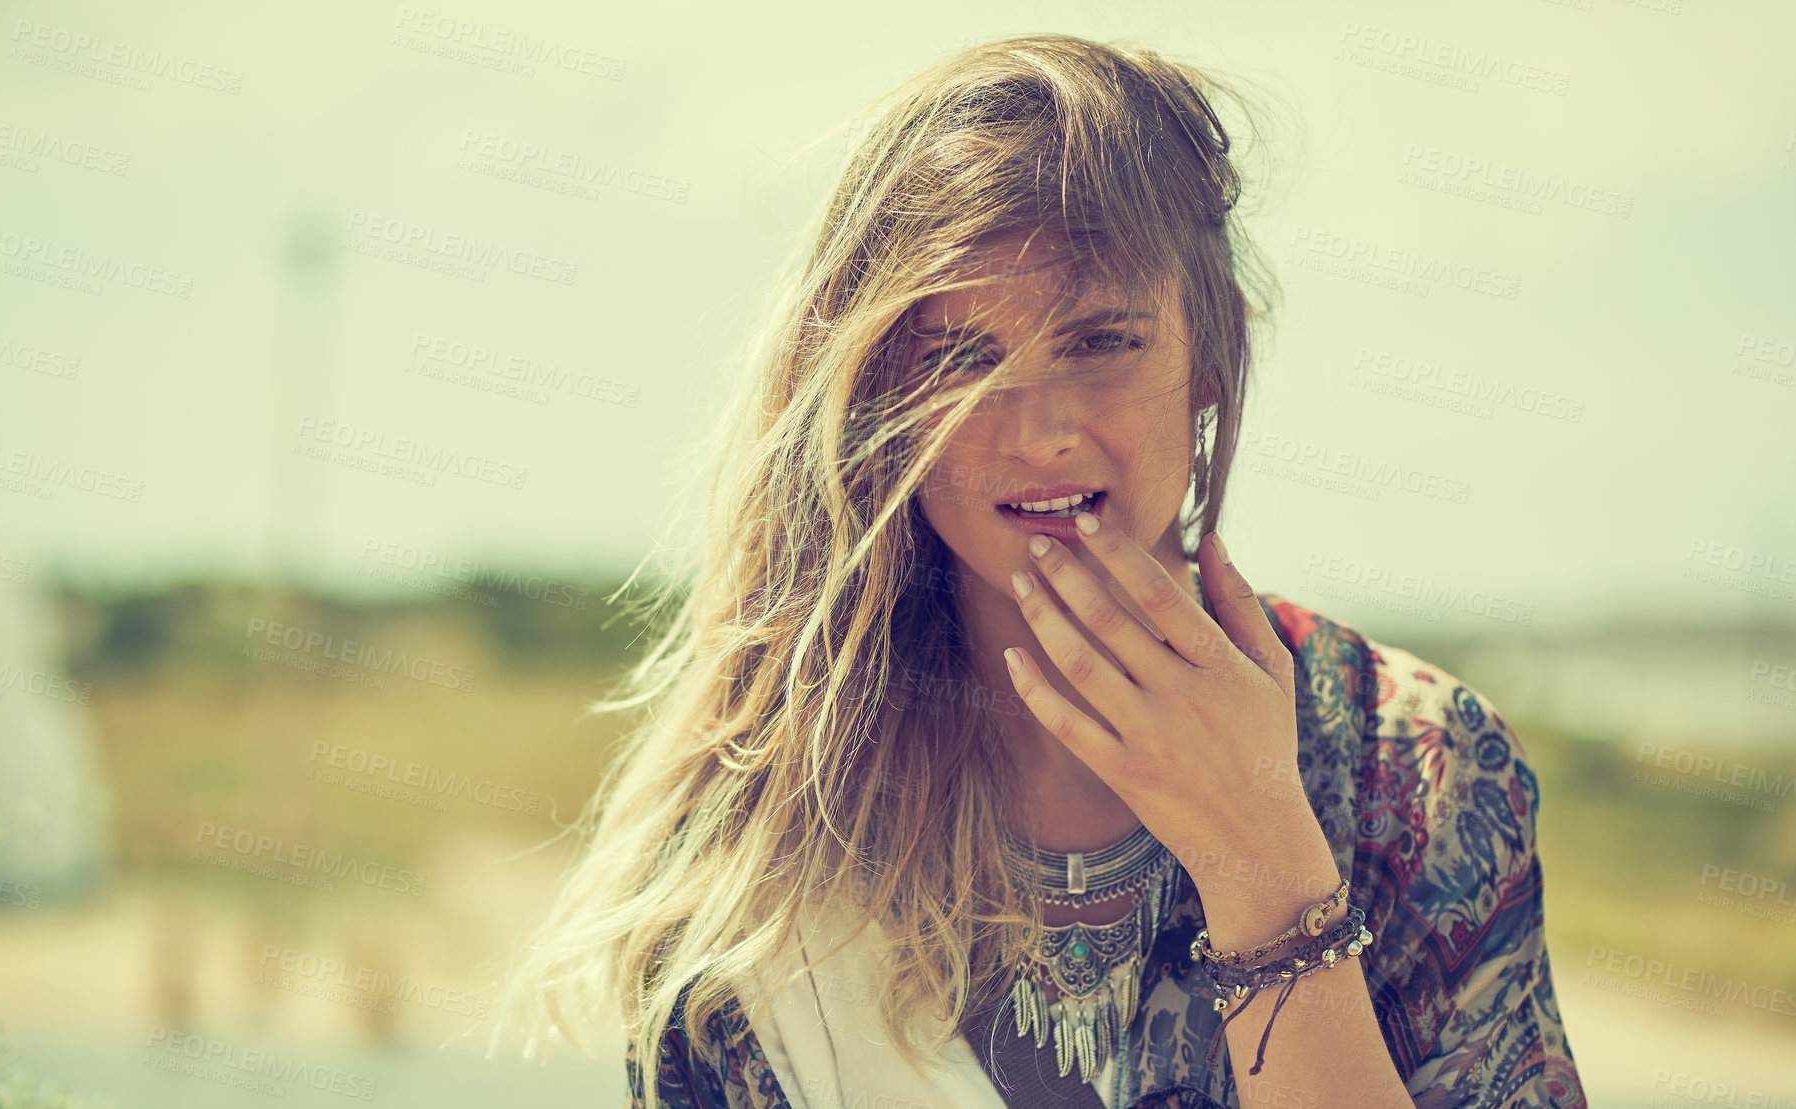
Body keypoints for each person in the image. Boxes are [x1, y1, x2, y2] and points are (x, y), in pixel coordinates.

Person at [491, 33, 1587, 1109]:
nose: (1040, 431)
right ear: (873, 394)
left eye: (1100, 340)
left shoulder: (1419, 769)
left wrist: (1267, 868)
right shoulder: (758, 830)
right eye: (959, 359)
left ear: (1210, 349)